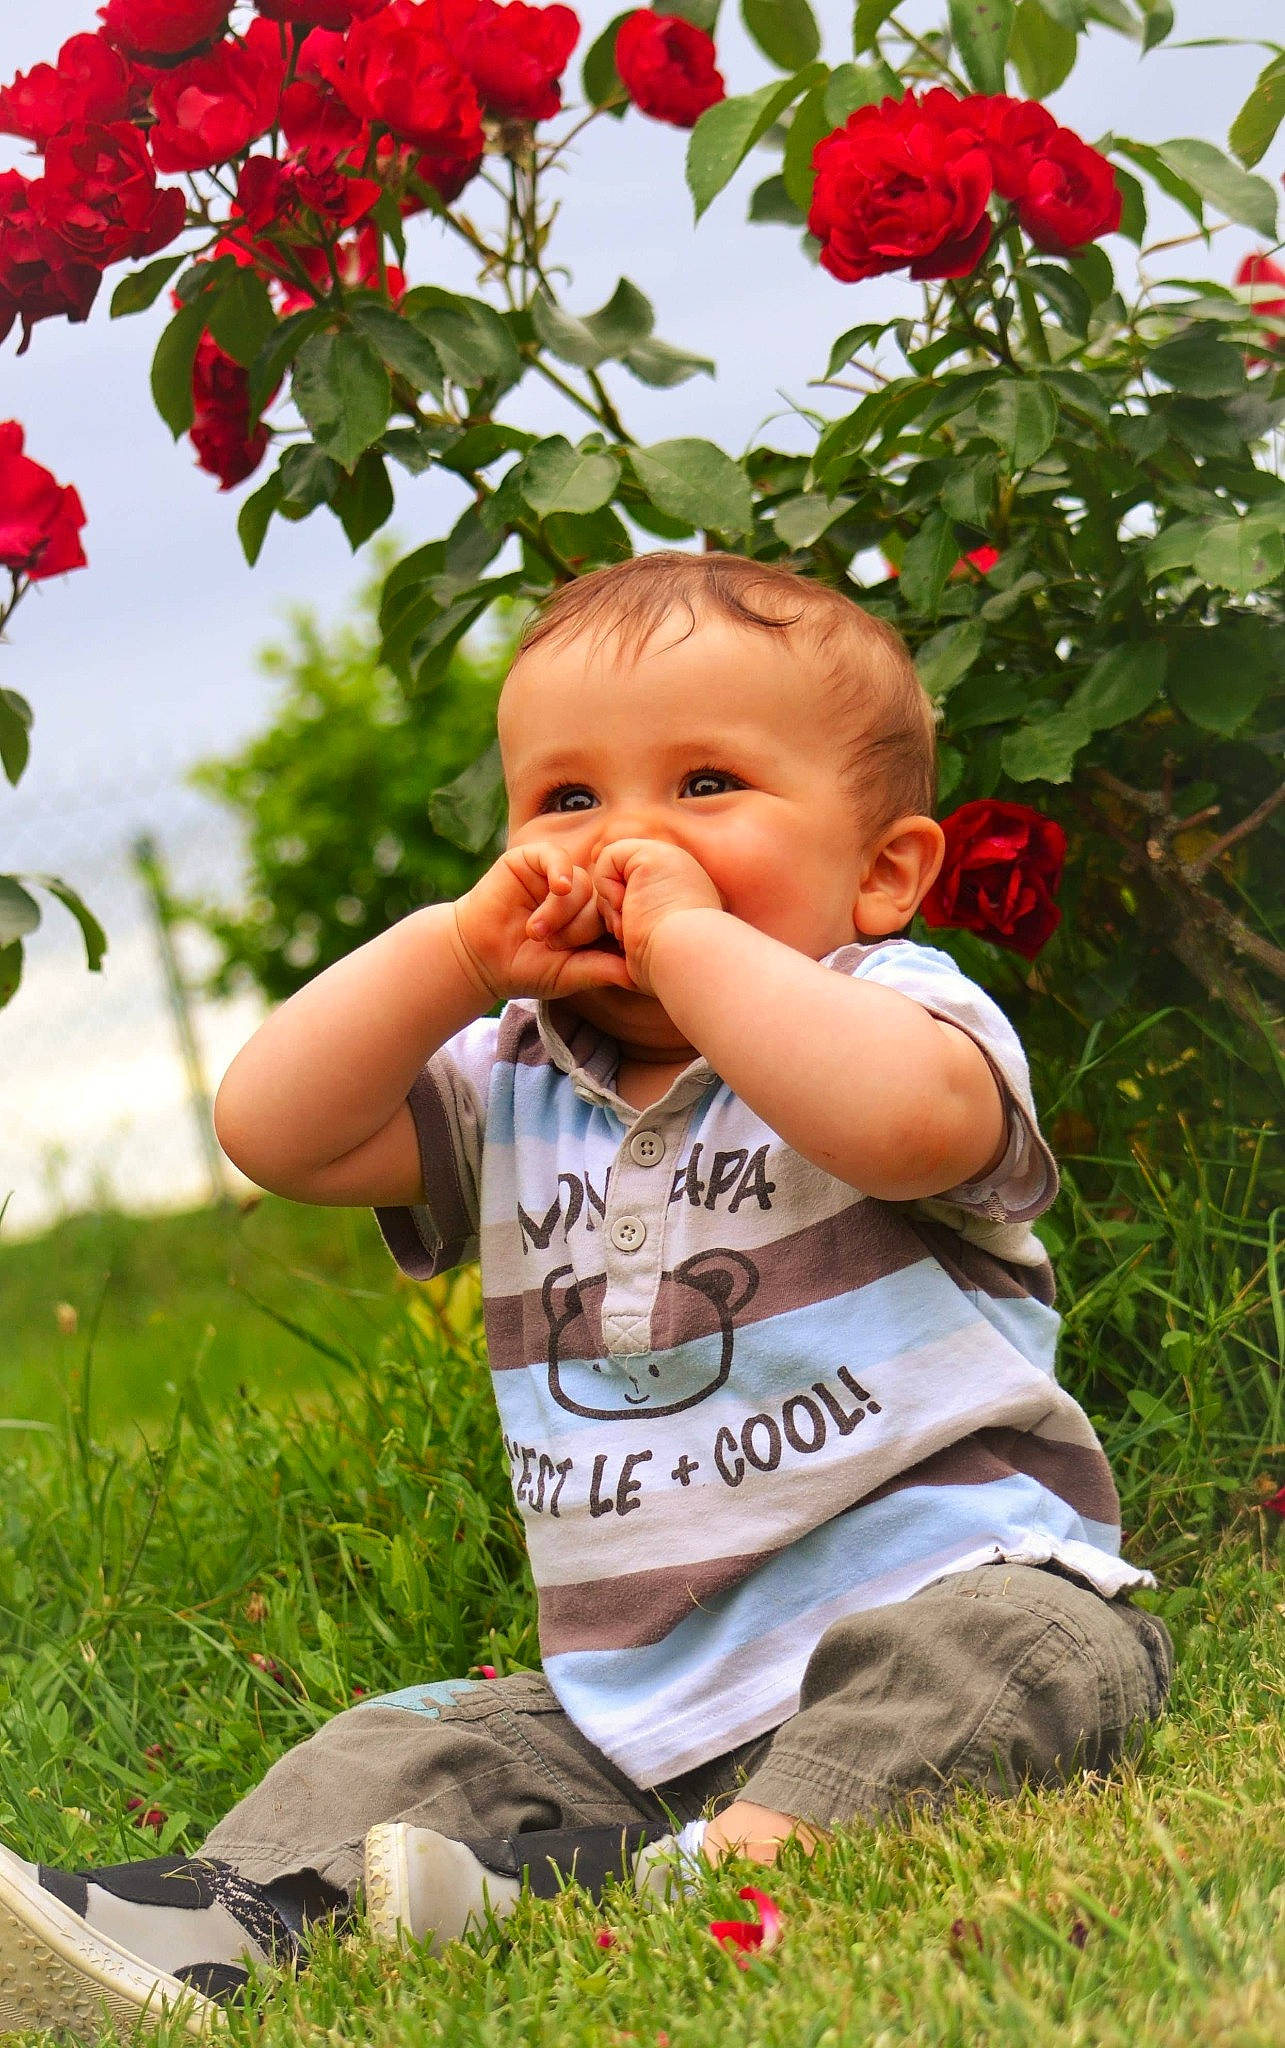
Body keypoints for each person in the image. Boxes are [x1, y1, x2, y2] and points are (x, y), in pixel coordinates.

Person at [0, 552, 1173, 2040]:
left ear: (882, 872)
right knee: (408, 1745)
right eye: (566, 799)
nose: (624, 841)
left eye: (704, 785)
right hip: (632, 1700)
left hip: (942, 1599)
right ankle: (212, 1918)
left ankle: (713, 1875)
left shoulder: (895, 1008)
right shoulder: (515, 1077)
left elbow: (905, 1125)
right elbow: (273, 1131)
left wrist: (692, 943)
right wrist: (454, 953)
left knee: (1018, 1655)